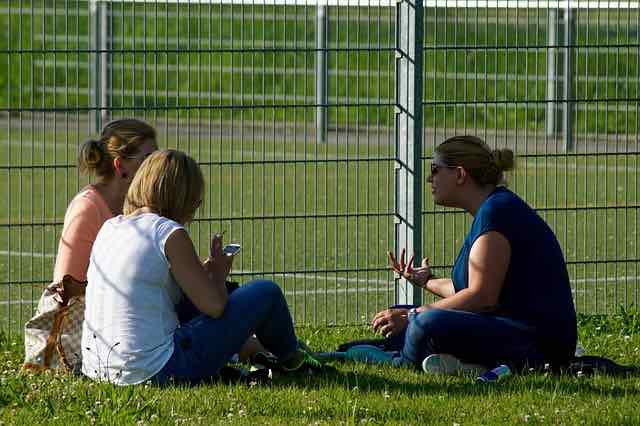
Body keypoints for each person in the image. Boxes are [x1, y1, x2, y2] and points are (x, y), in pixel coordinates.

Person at [81, 149, 322, 385]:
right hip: (155, 369)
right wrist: (217, 276)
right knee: (266, 292)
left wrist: (201, 274)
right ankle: (293, 360)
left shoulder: (110, 227)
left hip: (97, 368)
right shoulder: (167, 230)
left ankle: (269, 352)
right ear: (182, 197)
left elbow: (153, 290)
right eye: (195, 202)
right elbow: (215, 307)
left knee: (191, 305)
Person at [354, 135, 577, 374]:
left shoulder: (497, 212)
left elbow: (482, 297)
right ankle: (453, 362)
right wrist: (427, 281)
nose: (430, 178)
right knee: (407, 316)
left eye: (435, 169)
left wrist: (411, 316)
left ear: (460, 175)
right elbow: (468, 290)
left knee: (424, 322)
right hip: (509, 327)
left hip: (537, 342)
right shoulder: (492, 208)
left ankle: (401, 362)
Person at [53, 118, 158, 283]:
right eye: (148, 159)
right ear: (120, 165)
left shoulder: (148, 203)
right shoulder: (87, 208)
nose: (157, 166)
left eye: (157, 158)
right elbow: (65, 286)